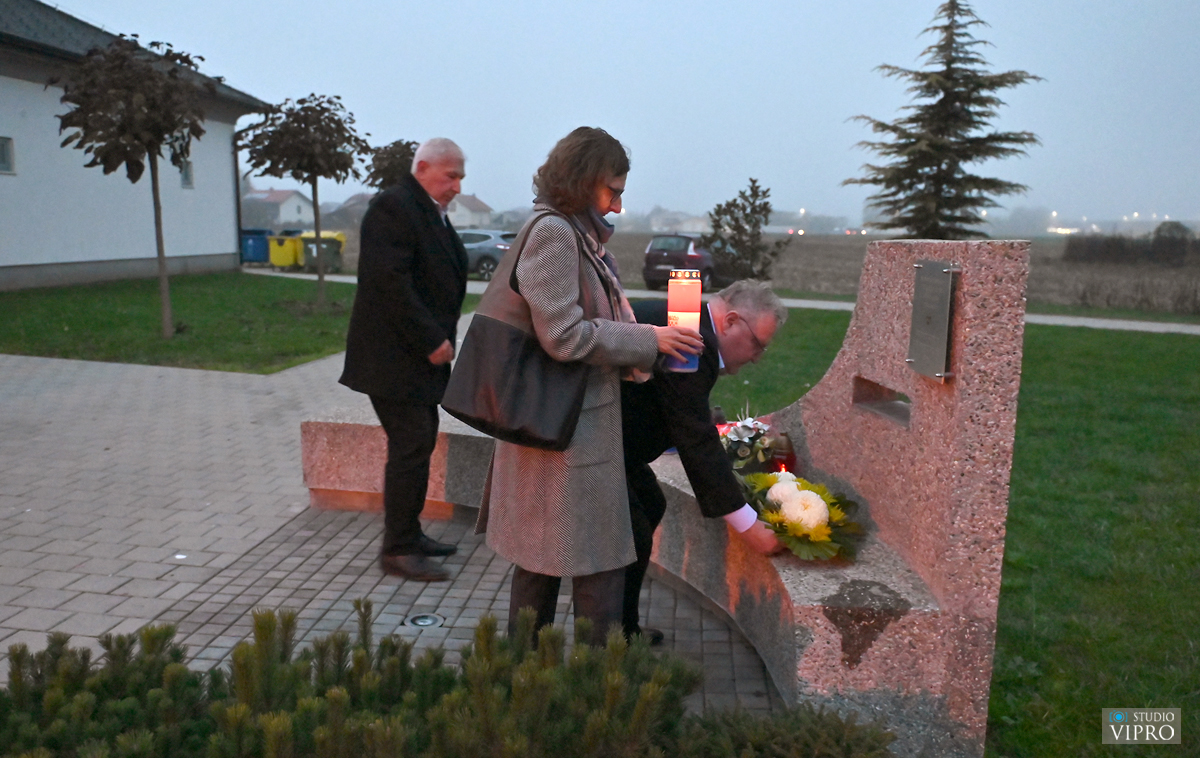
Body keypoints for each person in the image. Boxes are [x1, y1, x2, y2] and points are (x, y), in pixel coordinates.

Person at [475, 127, 703, 646]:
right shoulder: (556, 234)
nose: (618, 206)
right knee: (595, 564)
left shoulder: (572, 234)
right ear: (582, 182)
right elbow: (563, 335)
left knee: (544, 563)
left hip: (560, 429)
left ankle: (525, 676)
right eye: (612, 191)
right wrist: (649, 339)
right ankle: (596, 682)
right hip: (565, 434)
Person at [621, 280, 787, 644]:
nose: (757, 358)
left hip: (613, 447)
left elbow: (674, 407)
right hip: (590, 446)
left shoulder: (688, 320)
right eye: (757, 345)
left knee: (649, 503)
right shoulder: (695, 338)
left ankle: (622, 629)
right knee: (631, 529)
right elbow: (695, 438)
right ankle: (611, 640)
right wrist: (749, 525)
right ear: (731, 321)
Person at [340, 138, 469, 582]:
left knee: (418, 443)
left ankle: (409, 535)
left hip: (415, 361)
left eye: (460, 177)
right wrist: (431, 338)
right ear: (424, 167)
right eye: (451, 176)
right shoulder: (393, 207)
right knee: (411, 445)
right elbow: (388, 282)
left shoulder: (428, 211)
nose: (457, 186)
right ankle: (397, 549)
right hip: (394, 359)